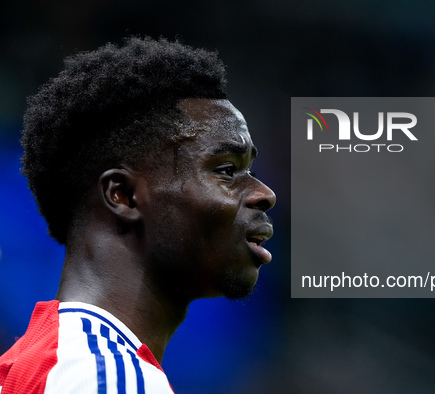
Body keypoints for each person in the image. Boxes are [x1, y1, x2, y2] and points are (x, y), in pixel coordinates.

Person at [0, 36, 276, 393]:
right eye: (226, 169)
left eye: (250, 170)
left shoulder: (42, 366)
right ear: (124, 195)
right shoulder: (107, 377)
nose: (263, 193)